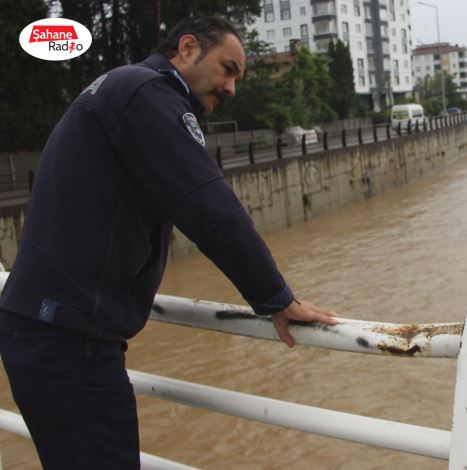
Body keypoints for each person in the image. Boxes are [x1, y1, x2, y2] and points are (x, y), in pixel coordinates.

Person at [0, 16, 339, 469]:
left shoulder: (122, 89)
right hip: (69, 340)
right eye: (227, 68)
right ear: (187, 49)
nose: (232, 87)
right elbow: (209, 208)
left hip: (48, 328)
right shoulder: (148, 96)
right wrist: (276, 298)